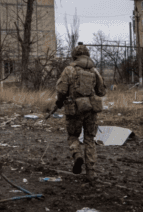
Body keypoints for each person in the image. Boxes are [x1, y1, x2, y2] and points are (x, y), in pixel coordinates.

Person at [55, 42, 106, 183]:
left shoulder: (69, 70)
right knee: (90, 139)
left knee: (73, 136)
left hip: (74, 109)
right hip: (91, 110)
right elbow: (101, 92)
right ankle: (91, 172)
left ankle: (77, 155)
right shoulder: (94, 71)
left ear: (75, 56)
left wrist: (59, 102)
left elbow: (61, 90)